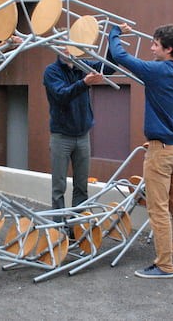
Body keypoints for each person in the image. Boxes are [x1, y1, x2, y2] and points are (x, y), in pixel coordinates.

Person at [108, 23, 173, 279]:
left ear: (168, 49)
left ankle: (165, 265)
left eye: (155, 44)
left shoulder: (158, 71)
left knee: (158, 210)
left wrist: (115, 31)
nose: (151, 47)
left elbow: (121, 56)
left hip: (161, 150)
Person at [43, 49, 115, 230]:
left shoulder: (83, 66)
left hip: (82, 136)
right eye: (64, 46)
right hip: (61, 137)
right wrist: (84, 83)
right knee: (58, 188)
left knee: (81, 187)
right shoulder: (52, 71)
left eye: (71, 45)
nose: (69, 50)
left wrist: (114, 37)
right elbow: (61, 95)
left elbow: (108, 68)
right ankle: (58, 230)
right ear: (58, 48)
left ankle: (77, 228)